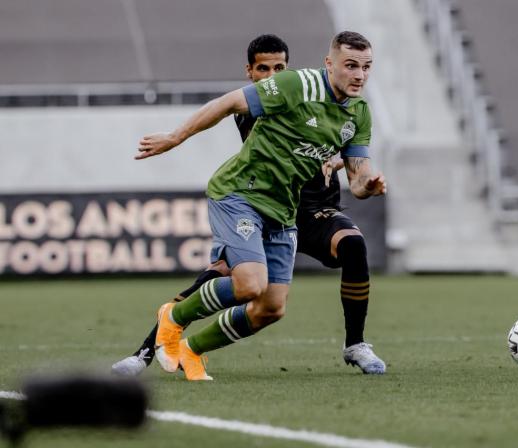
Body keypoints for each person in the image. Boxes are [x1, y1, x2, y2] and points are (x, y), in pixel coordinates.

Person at [123, 31, 385, 381]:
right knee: (242, 281)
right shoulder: (288, 89)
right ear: (329, 64)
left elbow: (356, 176)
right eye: (350, 65)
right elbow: (229, 104)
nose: (359, 74)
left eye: (366, 67)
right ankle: (158, 335)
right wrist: (174, 137)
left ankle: (191, 348)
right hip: (244, 196)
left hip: (292, 208)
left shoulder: (358, 113)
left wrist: (366, 184)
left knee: (273, 306)